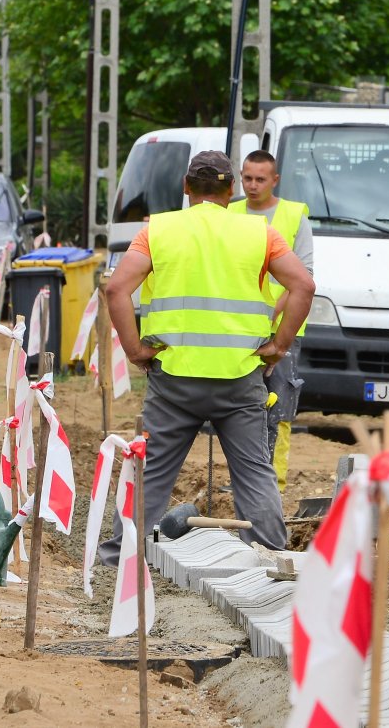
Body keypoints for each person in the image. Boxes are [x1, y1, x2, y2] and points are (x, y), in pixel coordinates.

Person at [99, 150, 314, 558]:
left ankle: (120, 554)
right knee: (254, 472)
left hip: (174, 378)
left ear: (185, 187)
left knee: (153, 470)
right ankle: (271, 553)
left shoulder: (157, 231)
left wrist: (135, 349)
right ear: (232, 190)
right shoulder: (259, 233)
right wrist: (278, 347)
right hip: (239, 378)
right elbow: (303, 285)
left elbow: (116, 289)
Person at [229, 149, 313, 491]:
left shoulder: (294, 216)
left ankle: (272, 481)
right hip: (236, 329)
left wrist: (273, 311)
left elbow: (303, 276)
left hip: (283, 329)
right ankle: (243, 477)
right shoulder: (230, 213)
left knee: (278, 405)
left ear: (274, 180)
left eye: (260, 179)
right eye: (247, 178)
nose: (252, 185)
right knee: (238, 407)